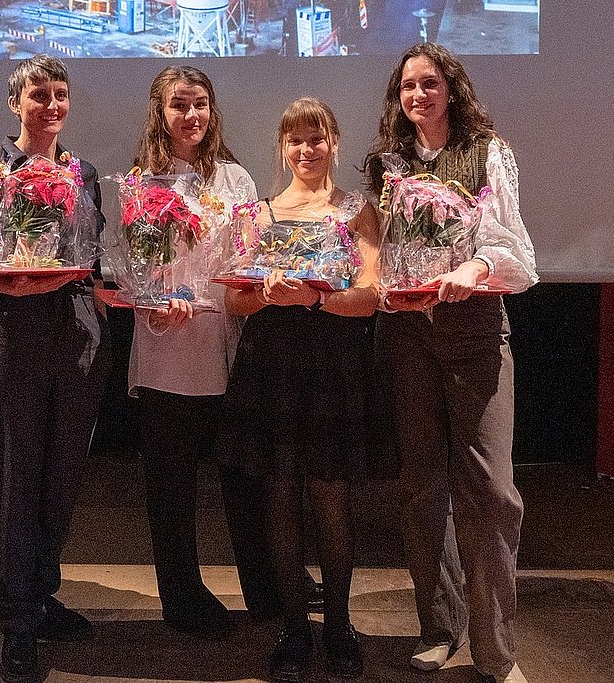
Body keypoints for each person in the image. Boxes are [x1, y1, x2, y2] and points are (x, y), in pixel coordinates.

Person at [0, 55, 111, 683]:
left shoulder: (83, 172)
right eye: (39, 95)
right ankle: (15, 629)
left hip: (73, 342)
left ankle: (40, 596)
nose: (52, 106)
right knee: (11, 485)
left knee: (61, 482)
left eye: (60, 95)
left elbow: (90, 257)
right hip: (7, 343)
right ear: (16, 103)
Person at [363, 43, 538, 683]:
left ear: (451, 89)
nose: (418, 96)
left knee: (490, 491)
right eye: (408, 87)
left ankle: (496, 653)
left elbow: (508, 241)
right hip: (408, 334)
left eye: (429, 84)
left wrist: (474, 268)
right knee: (421, 489)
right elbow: (373, 245)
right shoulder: (385, 164)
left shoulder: (487, 151)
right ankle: (439, 627)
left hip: (474, 329)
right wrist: (373, 279)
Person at [216, 97, 385, 681]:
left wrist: (312, 296)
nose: (306, 149)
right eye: (295, 140)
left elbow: (370, 297)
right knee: (280, 503)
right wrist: (266, 292)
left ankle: (337, 625)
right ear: (281, 148)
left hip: (333, 368)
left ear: (334, 142)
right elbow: (233, 298)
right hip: (272, 368)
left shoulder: (358, 211)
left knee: (332, 502)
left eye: (316, 138)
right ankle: (293, 628)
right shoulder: (258, 214)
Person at [126, 65, 283, 634]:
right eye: (179, 105)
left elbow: (248, 259)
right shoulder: (143, 181)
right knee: (171, 487)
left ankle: (266, 593)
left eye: (201, 105)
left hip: (229, 348)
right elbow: (131, 269)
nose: (192, 116)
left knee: (246, 483)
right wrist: (152, 296)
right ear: (160, 114)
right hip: (167, 350)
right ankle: (182, 600)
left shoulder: (236, 181)